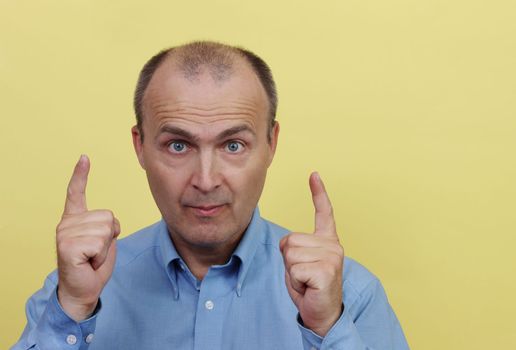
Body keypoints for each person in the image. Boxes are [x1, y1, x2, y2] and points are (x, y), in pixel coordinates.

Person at [12, 41, 409, 350]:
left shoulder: (351, 295)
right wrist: (74, 310)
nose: (206, 179)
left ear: (271, 144)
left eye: (233, 145)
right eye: (178, 146)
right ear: (141, 146)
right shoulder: (72, 290)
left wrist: (327, 330)